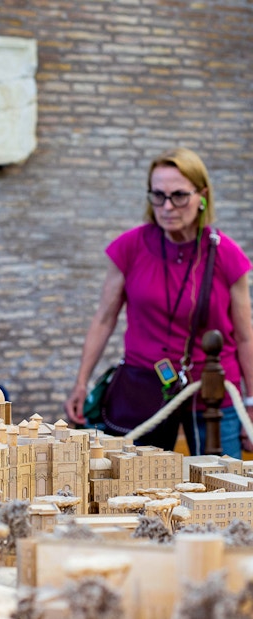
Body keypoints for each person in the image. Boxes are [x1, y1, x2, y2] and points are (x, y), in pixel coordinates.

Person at [65, 147, 253, 458]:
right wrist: (81, 383)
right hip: (144, 390)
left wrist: (250, 402)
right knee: (135, 489)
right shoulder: (129, 247)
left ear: (202, 195)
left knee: (221, 489)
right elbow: (103, 318)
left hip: (213, 393)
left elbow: (246, 337)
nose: (167, 206)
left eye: (179, 195)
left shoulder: (226, 255)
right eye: (158, 195)